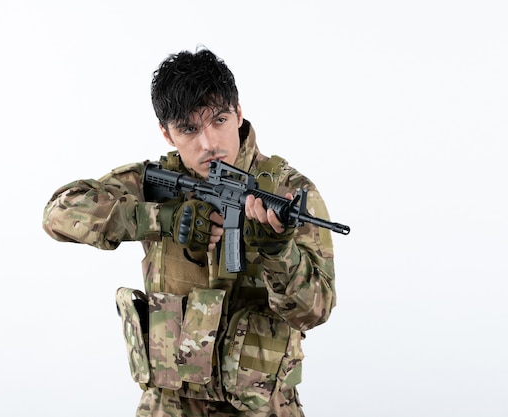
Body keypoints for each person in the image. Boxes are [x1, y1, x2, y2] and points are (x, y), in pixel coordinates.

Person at [42, 46, 337, 417]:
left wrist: (279, 254)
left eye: (219, 120)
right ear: (166, 133)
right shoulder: (154, 181)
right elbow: (58, 212)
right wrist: (161, 220)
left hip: (259, 407)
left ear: (239, 113)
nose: (209, 143)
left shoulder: (284, 191)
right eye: (188, 129)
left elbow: (317, 309)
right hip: (169, 405)